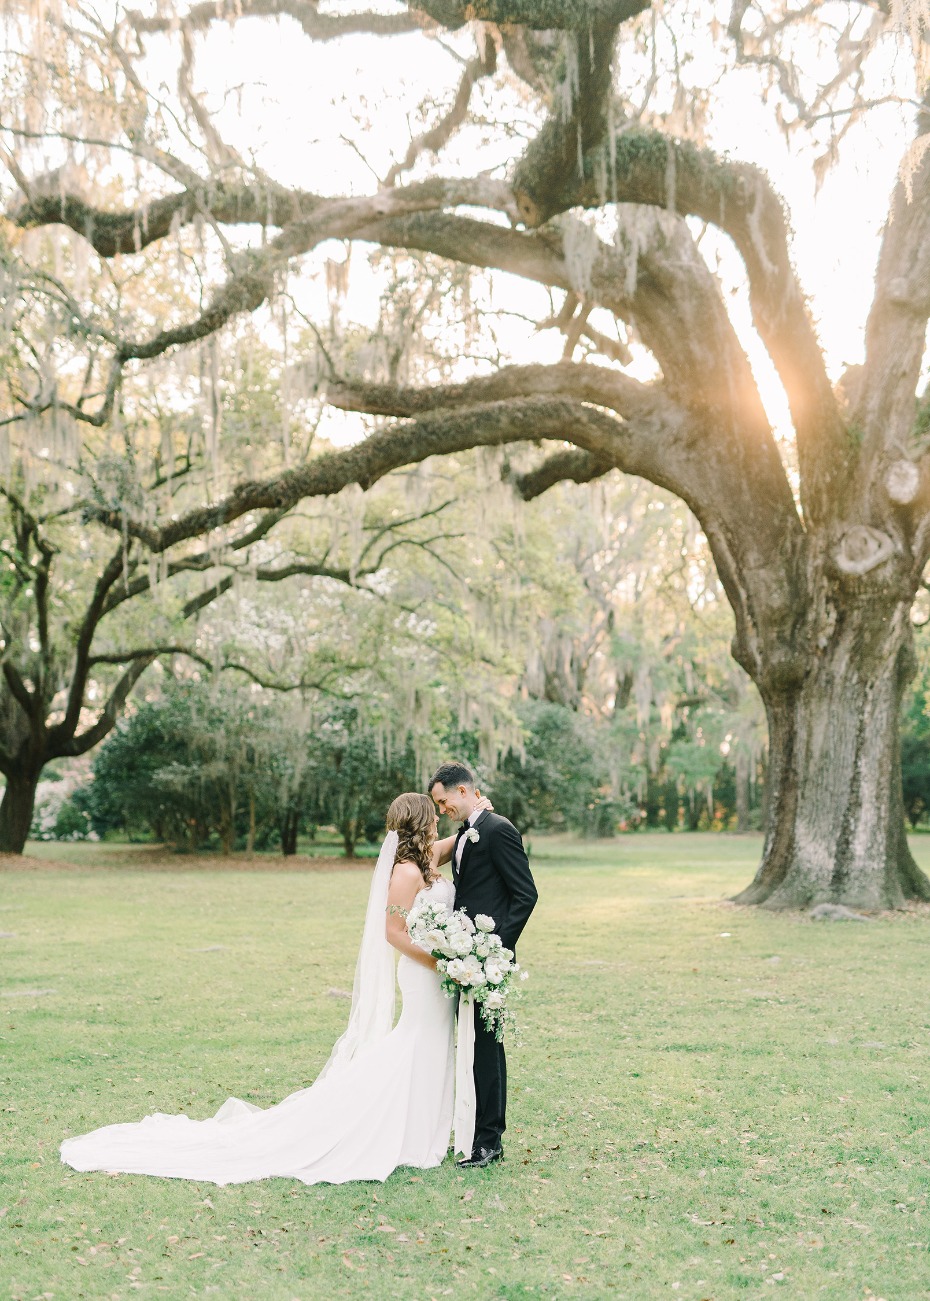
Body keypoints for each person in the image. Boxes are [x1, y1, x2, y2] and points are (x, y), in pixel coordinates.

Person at [59, 792, 485, 1186]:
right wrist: (441, 962)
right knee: (415, 1042)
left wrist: (479, 812)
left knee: (430, 1044)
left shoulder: (426, 858)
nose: (437, 822)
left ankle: (419, 1129)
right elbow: (392, 932)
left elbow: (456, 839)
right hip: (423, 971)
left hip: (437, 972)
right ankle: (392, 1130)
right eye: (432, 818)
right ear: (418, 825)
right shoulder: (406, 873)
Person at [429, 760, 538, 1169]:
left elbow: (525, 895)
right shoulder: (466, 833)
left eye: (443, 802)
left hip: (486, 963)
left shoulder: (498, 829)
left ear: (462, 791)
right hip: (464, 961)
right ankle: (475, 1133)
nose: (442, 810)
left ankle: (490, 1141)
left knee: (487, 1048)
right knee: (473, 1047)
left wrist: (495, 951)